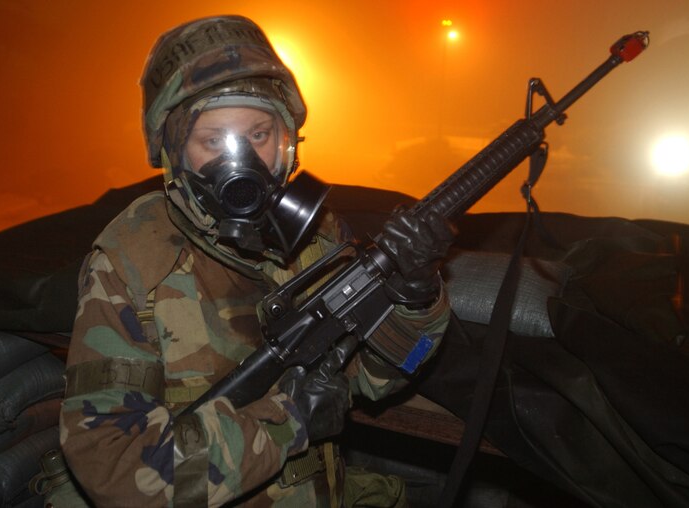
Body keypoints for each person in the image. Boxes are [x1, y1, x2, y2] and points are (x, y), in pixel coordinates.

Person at [60, 15, 454, 507]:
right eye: (214, 141)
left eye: (260, 133)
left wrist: (416, 296)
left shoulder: (318, 236)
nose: (241, 160)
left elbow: (373, 380)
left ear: (287, 141)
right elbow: (115, 469)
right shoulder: (131, 264)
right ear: (176, 150)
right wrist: (291, 419)